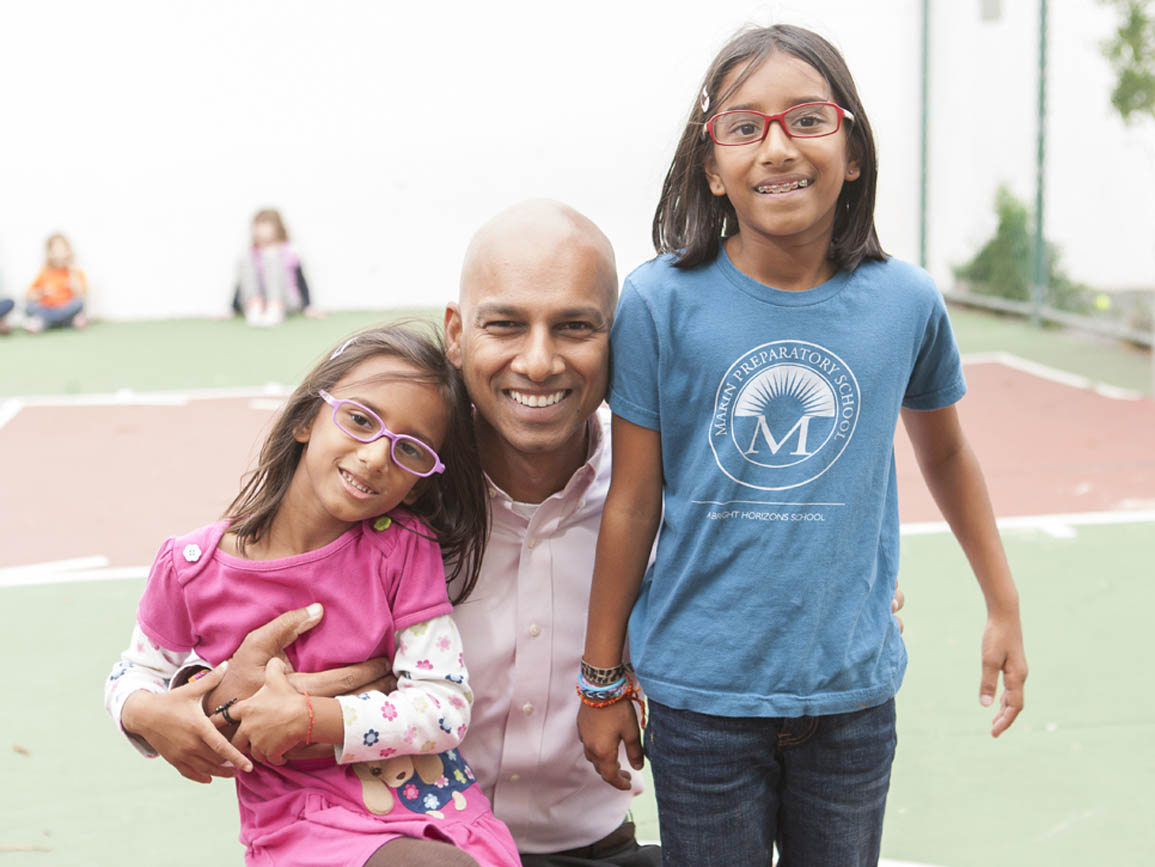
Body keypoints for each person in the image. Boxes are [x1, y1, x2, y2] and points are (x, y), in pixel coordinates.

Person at [111, 200, 905, 865]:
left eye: (573, 327)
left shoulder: (673, 509)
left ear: (617, 339)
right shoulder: (391, 492)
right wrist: (157, 710)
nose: (537, 361)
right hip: (409, 837)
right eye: (504, 324)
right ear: (457, 333)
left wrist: (839, 588)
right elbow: (220, 624)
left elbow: (771, 579)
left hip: (598, 843)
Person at [576, 24, 1028, 867]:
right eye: (744, 127)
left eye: (807, 119)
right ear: (712, 166)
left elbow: (947, 457)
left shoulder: (904, 302)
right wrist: (601, 677)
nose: (776, 146)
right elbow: (632, 499)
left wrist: (1001, 604)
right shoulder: (656, 303)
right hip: (698, 704)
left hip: (850, 703)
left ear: (851, 151)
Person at [105, 321, 519, 867]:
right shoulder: (192, 566)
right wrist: (144, 714)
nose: (375, 456)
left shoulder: (403, 549)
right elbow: (134, 671)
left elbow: (444, 706)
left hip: (432, 809)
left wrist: (312, 718)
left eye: (410, 450)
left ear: (420, 482)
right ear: (306, 419)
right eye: (360, 420)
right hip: (302, 823)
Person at [233, 207, 316, 326]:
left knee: (271, 255)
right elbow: (243, 282)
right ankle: (254, 307)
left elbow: (301, 280)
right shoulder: (252, 254)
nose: (261, 230)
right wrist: (232, 308)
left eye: (266, 225)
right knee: (246, 258)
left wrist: (308, 306)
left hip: (285, 300)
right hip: (260, 300)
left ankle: (275, 307)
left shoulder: (289, 251)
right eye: (258, 225)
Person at [25, 232, 87, 332]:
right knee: (29, 307)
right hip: (47, 310)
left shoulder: (75, 272)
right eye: (55, 249)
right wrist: (41, 292)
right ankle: (63, 322)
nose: (59, 252)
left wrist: (71, 269)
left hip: (66, 309)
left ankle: (48, 323)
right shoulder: (45, 273)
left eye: (62, 248)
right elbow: (28, 295)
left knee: (78, 303)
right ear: (49, 253)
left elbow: (81, 294)